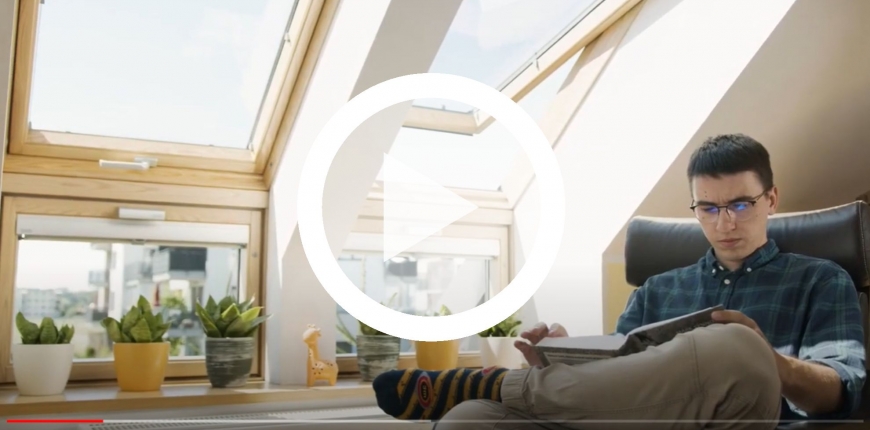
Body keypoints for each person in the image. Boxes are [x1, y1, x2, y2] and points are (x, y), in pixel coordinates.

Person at [372, 134, 866, 429]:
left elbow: (843, 392)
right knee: (469, 420)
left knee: (735, 345)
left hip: (742, 417)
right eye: (708, 208)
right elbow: (618, 375)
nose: (725, 222)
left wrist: (770, 360)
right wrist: (566, 358)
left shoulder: (821, 279)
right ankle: (515, 387)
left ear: (771, 199)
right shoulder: (657, 289)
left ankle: (506, 386)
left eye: (741, 204)